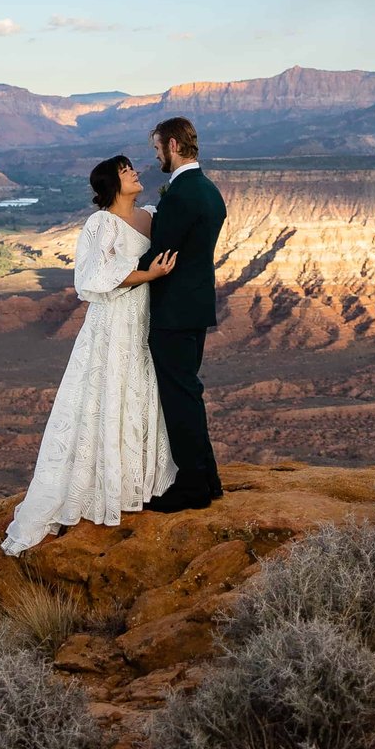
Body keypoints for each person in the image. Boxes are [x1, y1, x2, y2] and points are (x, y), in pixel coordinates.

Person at [1, 154, 180, 554]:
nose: (134, 172)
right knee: (106, 394)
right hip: (113, 320)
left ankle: (138, 482)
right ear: (111, 184)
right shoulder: (100, 224)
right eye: (124, 170)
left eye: (132, 167)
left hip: (144, 319)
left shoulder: (151, 215)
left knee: (138, 392)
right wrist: (149, 274)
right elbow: (91, 277)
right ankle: (101, 487)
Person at [142, 115, 226, 512]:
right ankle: (208, 478)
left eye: (158, 147)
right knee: (189, 392)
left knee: (178, 398)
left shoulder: (180, 195)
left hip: (173, 311)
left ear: (173, 145)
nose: (156, 154)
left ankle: (192, 486)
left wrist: (118, 271)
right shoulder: (210, 191)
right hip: (196, 307)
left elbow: (161, 253)